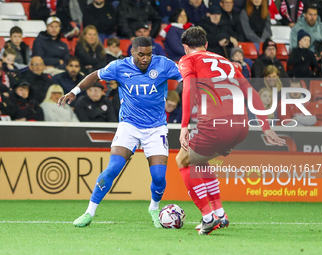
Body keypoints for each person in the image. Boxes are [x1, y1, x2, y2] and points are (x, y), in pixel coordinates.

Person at [57, 36, 182, 228]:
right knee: (113, 168)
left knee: (158, 176)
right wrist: (75, 91)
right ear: (132, 52)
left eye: (149, 54)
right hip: (129, 125)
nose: (145, 59)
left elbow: (187, 78)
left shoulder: (164, 64)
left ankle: (154, 207)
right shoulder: (119, 67)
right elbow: (96, 75)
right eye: (141, 55)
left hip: (156, 127)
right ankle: (89, 212)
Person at [176, 26, 285, 235]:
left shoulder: (188, 60)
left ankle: (207, 217)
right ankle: (220, 213)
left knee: (182, 161)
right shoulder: (226, 62)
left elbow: (188, 89)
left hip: (216, 124)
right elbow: (251, 92)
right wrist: (265, 126)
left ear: (185, 47)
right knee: (199, 161)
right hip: (241, 126)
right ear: (206, 44)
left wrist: (184, 126)